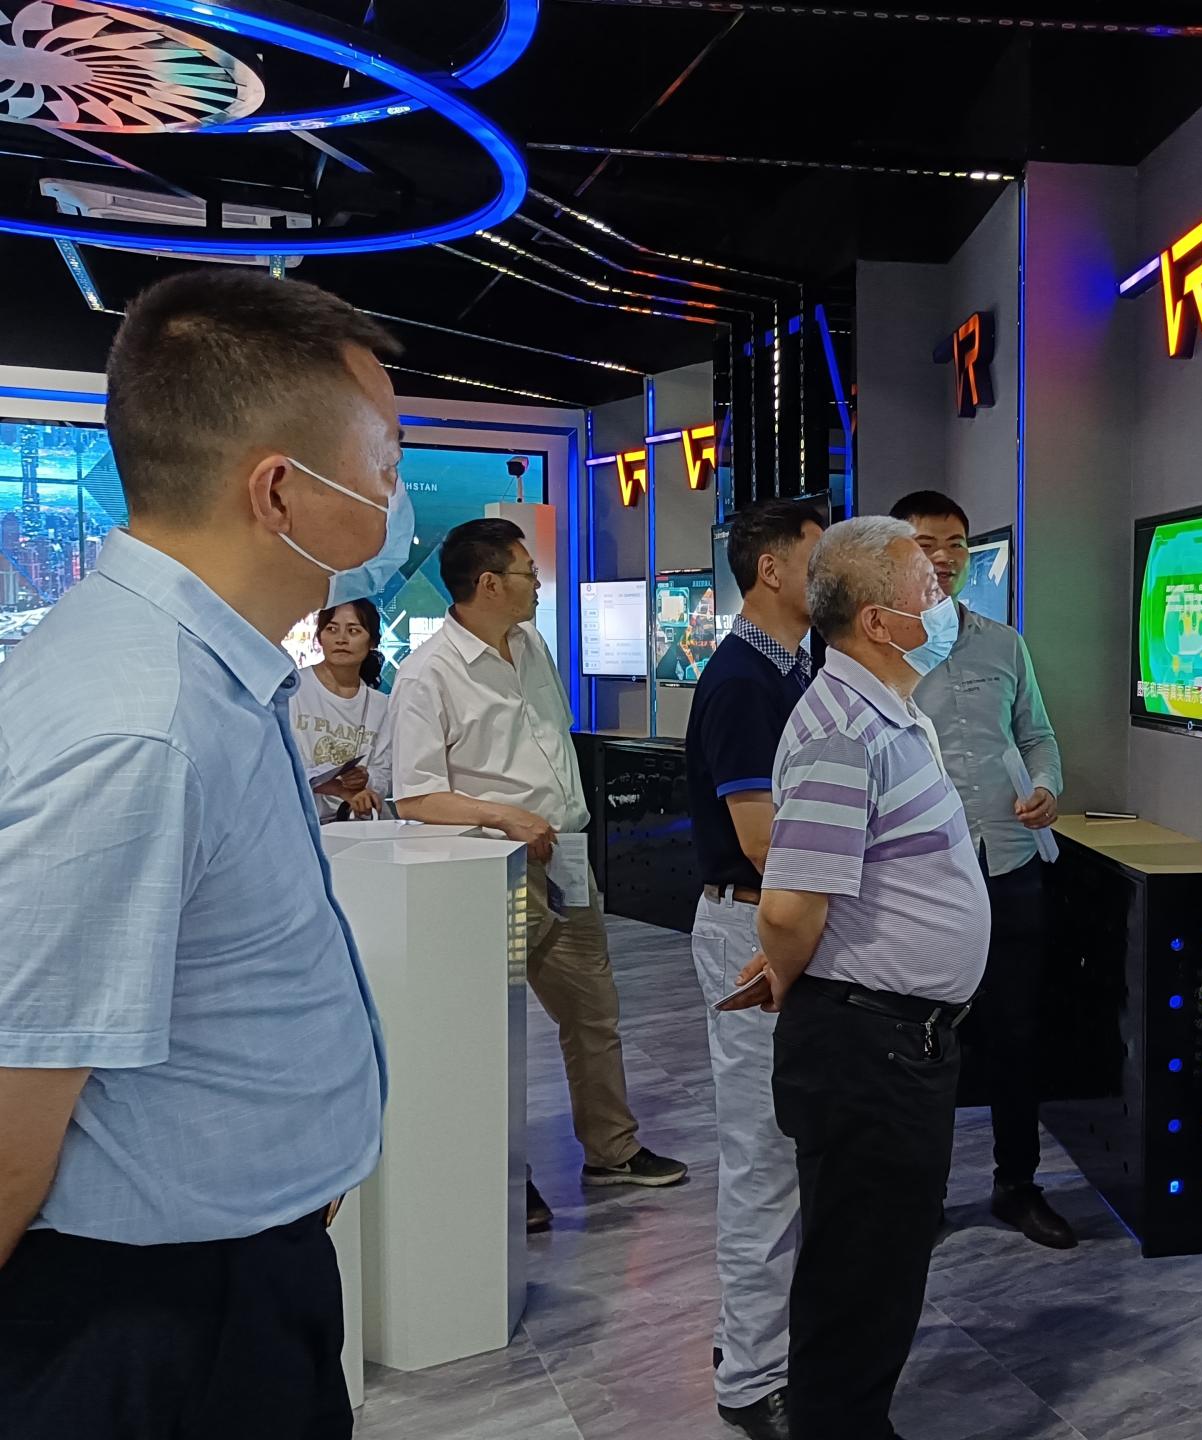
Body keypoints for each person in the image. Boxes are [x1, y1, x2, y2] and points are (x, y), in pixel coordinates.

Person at [0, 270, 394, 1437]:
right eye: (383, 465)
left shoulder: (199, 674)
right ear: (279, 490)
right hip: (152, 1322)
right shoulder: (144, 723)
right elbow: (14, 1103)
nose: (393, 496)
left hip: (223, 1280)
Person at [735, 516, 991, 1440]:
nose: (947, 599)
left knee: (879, 1269)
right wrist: (786, 972)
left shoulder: (889, 714)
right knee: (858, 1281)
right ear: (879, 622)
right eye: (930, 588)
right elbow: (787, 908)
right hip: (866, 1047)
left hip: (892, 1042)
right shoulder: (845, 730)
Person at [390, 519, 687, 1232]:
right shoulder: (429, 673)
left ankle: (611, 1149)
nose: (537, 582)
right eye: (528, 571)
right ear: (488, 583)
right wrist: (504, 817)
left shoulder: (532, 646)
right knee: (490, 1028)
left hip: (567, 858)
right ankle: (502, 1173)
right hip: (495, 874)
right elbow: (415, 796)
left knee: (593, 1011)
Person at [890, 491, 1072, 1249]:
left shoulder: (1004, 643)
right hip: (923, 879)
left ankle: (1017, 1185)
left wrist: (1047, 788)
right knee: (926, 1042)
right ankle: (921, 1196)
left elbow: (1037, 735)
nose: (944, 557)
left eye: (957, 544)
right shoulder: (879, 650)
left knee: (1017, 1034)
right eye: (926, 543)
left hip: (1010, 864)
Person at [685, 499, 825, 1440]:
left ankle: (754, 1339)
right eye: (819, 558)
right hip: (752, 923)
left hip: (781, 921)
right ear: (770, 569)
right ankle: (750, 1378)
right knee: (764, 1160)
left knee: (786, 1154)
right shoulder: (742, 680)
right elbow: (766, 842)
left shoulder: (796, 670)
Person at [291, 598, 393, 821]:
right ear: (320, 637)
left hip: (355, 825)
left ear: (372, 641)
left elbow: (384, 774)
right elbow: (279, 765)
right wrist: (335, 787)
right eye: (332, 629)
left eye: (353, 630)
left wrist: (366, 779)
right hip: (300, 822)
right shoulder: (293, 689)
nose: (341, 639)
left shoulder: (380, 705)